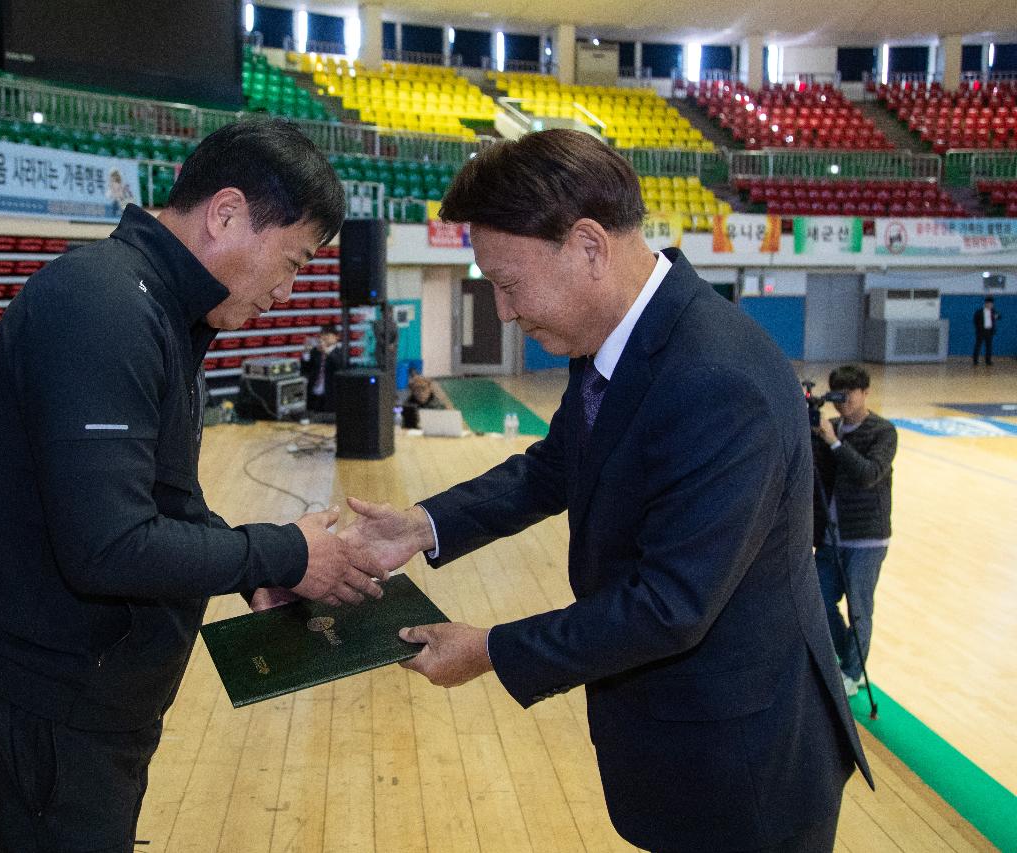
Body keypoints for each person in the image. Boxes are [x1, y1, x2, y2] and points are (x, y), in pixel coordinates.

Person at [339, 130, 871, 853]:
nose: (500, 308)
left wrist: (491, 648)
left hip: (746, 768)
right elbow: (557, 464)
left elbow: (669, 604)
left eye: (509, 283)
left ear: (589, 247)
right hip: (681, 739)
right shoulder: (619, 335)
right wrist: (420, 526)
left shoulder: (717, 380)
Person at [0, 118, 384, 853]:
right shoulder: (104, 306)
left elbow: (164, 505)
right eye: (294, 262)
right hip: (56, 711)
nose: (286, 290)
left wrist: (257, 570)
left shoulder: (155, 308)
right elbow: (109, 546)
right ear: (226, 213)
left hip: (89, 707)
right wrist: (279, 552)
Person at [811, 364, 897, 698]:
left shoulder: (883, 432)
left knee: (860, 608)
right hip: (831, 537)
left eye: (850, 395)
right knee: (818, 597)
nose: (842, 403)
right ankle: (852, 657)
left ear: (865, 393)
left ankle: (851, 671)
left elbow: (867, 474)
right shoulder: (828, 427)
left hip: (867, 539)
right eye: (837, 396)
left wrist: (833, 443)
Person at [301, 322, 345, 412]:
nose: (324, 337)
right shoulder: (315, 352)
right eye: (322, 334)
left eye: (327, 334)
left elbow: (339, 366)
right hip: (314, 396)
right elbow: (305, 370)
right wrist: (306, 353)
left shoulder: (341, 353)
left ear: (337, 337)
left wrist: (326, 351)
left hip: (331, 397)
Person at [972, 295, 1000, 366]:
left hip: (989, 331)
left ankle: (988, 361)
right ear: (986, 304)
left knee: (989, 346)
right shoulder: (979, 312)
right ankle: (975, 361)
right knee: (978, 346)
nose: (990, 305)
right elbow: (975, 321)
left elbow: (999, 316)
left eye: (991, 304)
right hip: (981, 331)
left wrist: (997, 316)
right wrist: (978, 329)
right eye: (989, 304)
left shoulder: (993, 311)